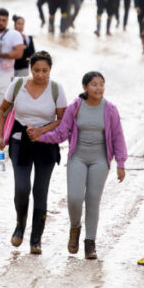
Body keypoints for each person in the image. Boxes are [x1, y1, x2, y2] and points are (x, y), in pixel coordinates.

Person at [36, 71, 127, 259]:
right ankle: (75, 227)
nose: (99, 88)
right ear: (85, 87)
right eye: (94, 84)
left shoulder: (110, 109)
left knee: (93, 200)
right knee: (75, 198)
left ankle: (90, 243)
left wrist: (121, 163)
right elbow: (61, 133)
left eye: (101, 84)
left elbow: (118, 137)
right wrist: (40, 136)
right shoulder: (75, 108)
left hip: (100, 159)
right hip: (77, 157)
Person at [0, 52, 68, 254]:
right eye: (36, 70)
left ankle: (36, 239)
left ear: (50, 70)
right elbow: (1, 110)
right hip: (20, 142)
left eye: (45, 70)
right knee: (21, 188)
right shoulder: (18, 85)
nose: (40, 74)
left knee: (40, 192)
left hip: (46, 144)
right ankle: (20, 225)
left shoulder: (56, 89)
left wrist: (42, 131)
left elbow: (63, 119)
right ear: (30, 69)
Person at [0, 9, 26, 144]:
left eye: (4, 20)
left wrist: (0, 55)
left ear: (8, 21)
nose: (0, 22)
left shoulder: (14, 35)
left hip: (4, 76)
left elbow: (19, 53)